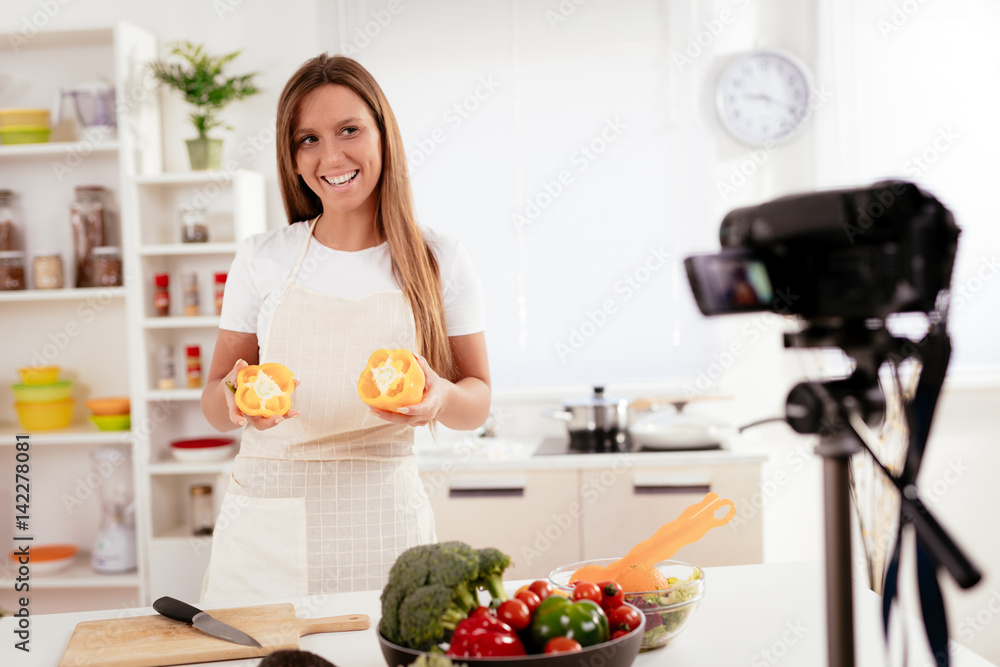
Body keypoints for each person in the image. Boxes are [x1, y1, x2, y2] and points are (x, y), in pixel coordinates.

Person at [199, 54, 491, 602]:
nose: (330, 155)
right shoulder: (262, 258)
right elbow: (213, 401)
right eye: (307, 139)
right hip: (268, 524)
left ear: (383, 134)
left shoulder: (439, 259)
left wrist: (441, 397)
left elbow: (477, 401)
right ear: (292, 157)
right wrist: (236, 399)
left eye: (349, 130)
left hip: (383, 522)